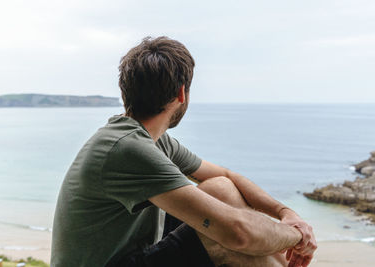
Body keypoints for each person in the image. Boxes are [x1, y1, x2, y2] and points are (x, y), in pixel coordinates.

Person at [50, 36, 317, 267]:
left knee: (220, 189)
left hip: (129, 256)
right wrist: (296, 235)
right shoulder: (127, 149)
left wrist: (286, 213)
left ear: (125, 92)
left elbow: (225, 175)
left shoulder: (152, 140)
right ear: (181, 93)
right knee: (228, 239)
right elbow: (238, 233)